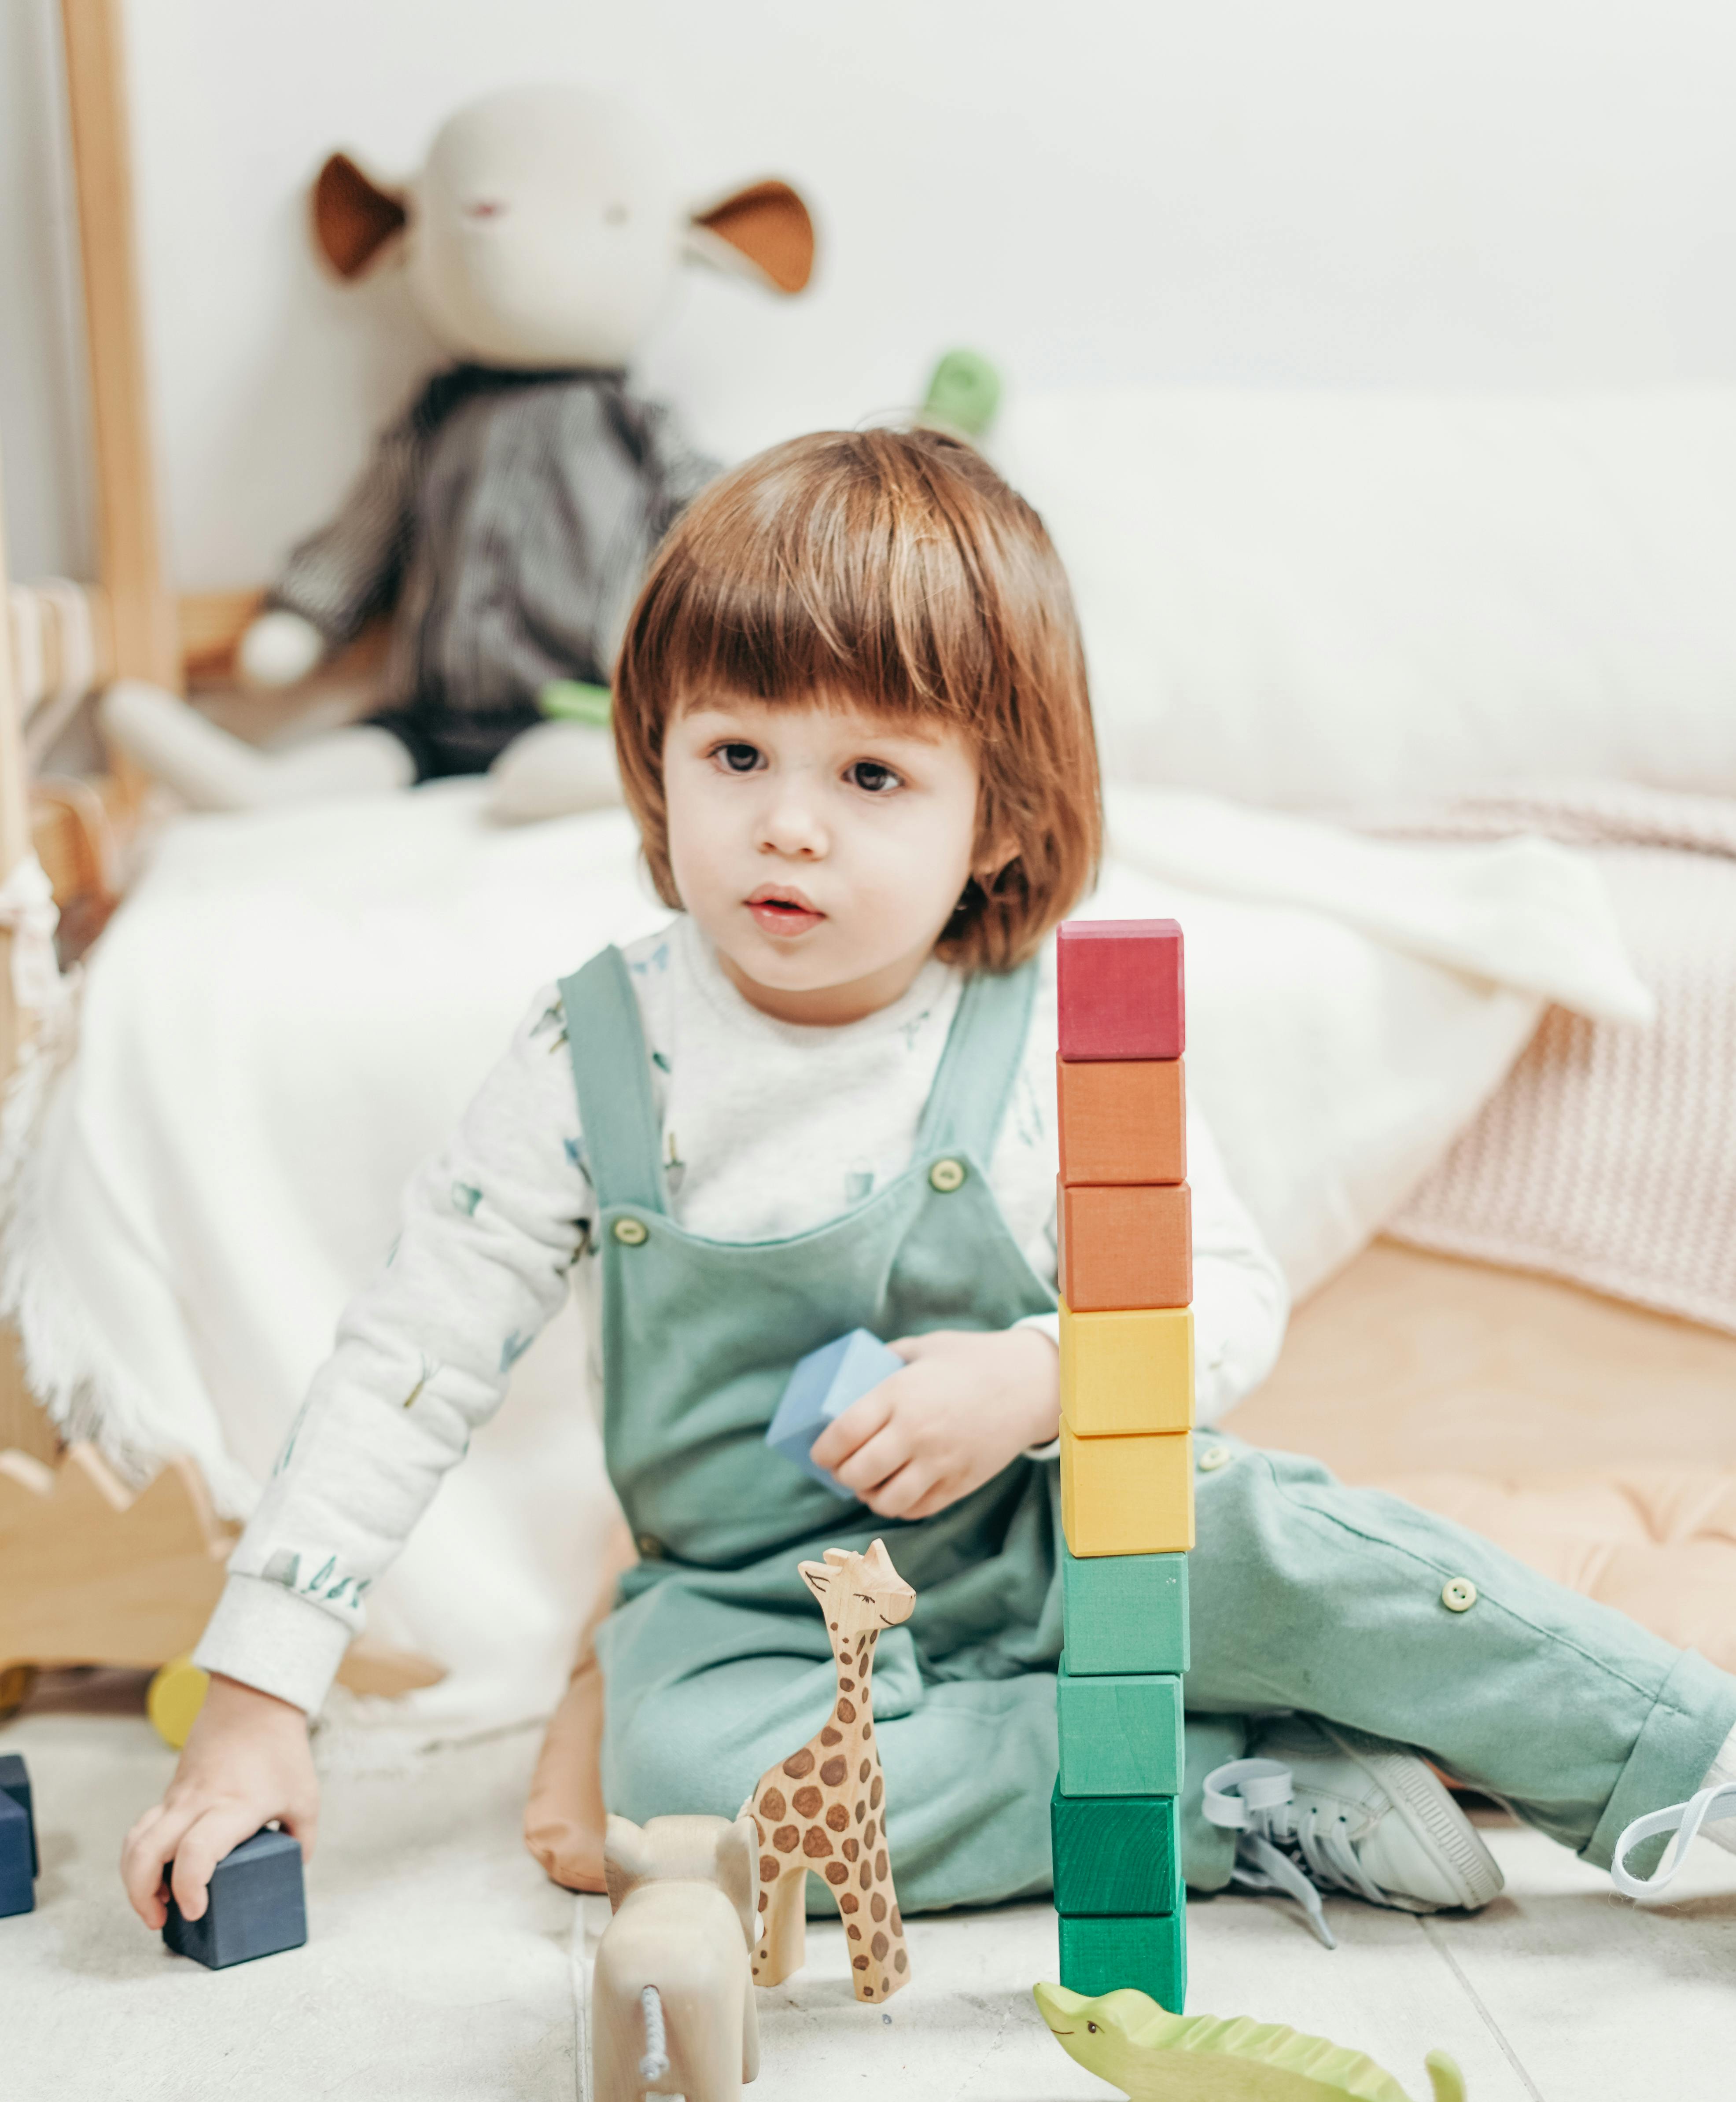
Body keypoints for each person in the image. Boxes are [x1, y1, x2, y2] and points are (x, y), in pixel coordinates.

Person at [121, 427, 1736, 1942]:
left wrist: (1039, 1375)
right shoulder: (590, 1054)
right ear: (655, 759)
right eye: (738, 752)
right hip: (755, 1602)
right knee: (691, 1800)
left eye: (872, 777)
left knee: (1289, 1543)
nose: (789, 827)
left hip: (1051, 1523)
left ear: (996, 819)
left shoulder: (1036, 1033)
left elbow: (1228, 1300)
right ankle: (1226, 1788)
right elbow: (403, 1367)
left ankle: (1682, 1762)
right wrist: (259, 1702)